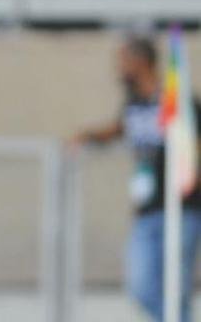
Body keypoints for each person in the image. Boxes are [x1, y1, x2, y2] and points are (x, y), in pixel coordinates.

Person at [70, 36, 201, 322]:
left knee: (176, 290)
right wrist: (88, 137)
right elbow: (121, 129)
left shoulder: (179, 103)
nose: (119, 70)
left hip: (182, 210)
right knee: (141, 286)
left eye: (124, 62)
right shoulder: (133, 103)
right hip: (146, 210)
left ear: (142, 62)